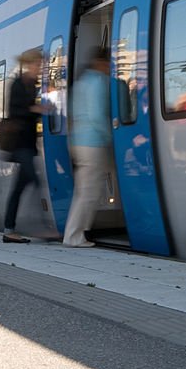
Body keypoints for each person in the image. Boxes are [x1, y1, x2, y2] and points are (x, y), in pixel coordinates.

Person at [62, 48, 111, 247]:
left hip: (78, 142)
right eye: (109, 63)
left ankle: (73, 234)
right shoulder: (98, 81)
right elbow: (97, 116)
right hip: (93, 142)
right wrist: (111, 137)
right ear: (101, 62)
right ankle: (74, 236)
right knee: (89, 192)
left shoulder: (82, 82)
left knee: (84, 191)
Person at [1, 49, 48, 244]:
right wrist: (35, 109)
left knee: (20, 188)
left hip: (27, 143)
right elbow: (15, 111)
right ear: (29, 64)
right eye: (38, 64)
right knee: (36, 182)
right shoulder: (18, 84)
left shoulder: (31, 85)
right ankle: (42, 229)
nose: (40, 68)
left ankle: (9, 230)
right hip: (19, 144)